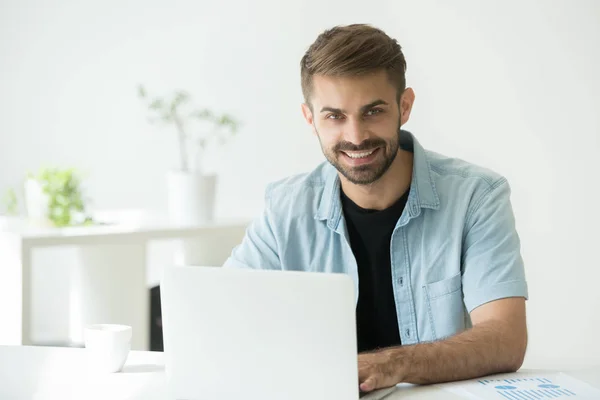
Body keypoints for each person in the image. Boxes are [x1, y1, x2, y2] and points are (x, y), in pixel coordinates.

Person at [224, 23, 528, 393]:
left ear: (405, 105)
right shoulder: (284, 209)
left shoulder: (476, 197)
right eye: (334, 116)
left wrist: (392, 364)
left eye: (373, 112)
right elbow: (224, 314)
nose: (355, 136)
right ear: (310, 119)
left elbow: (506, 339)